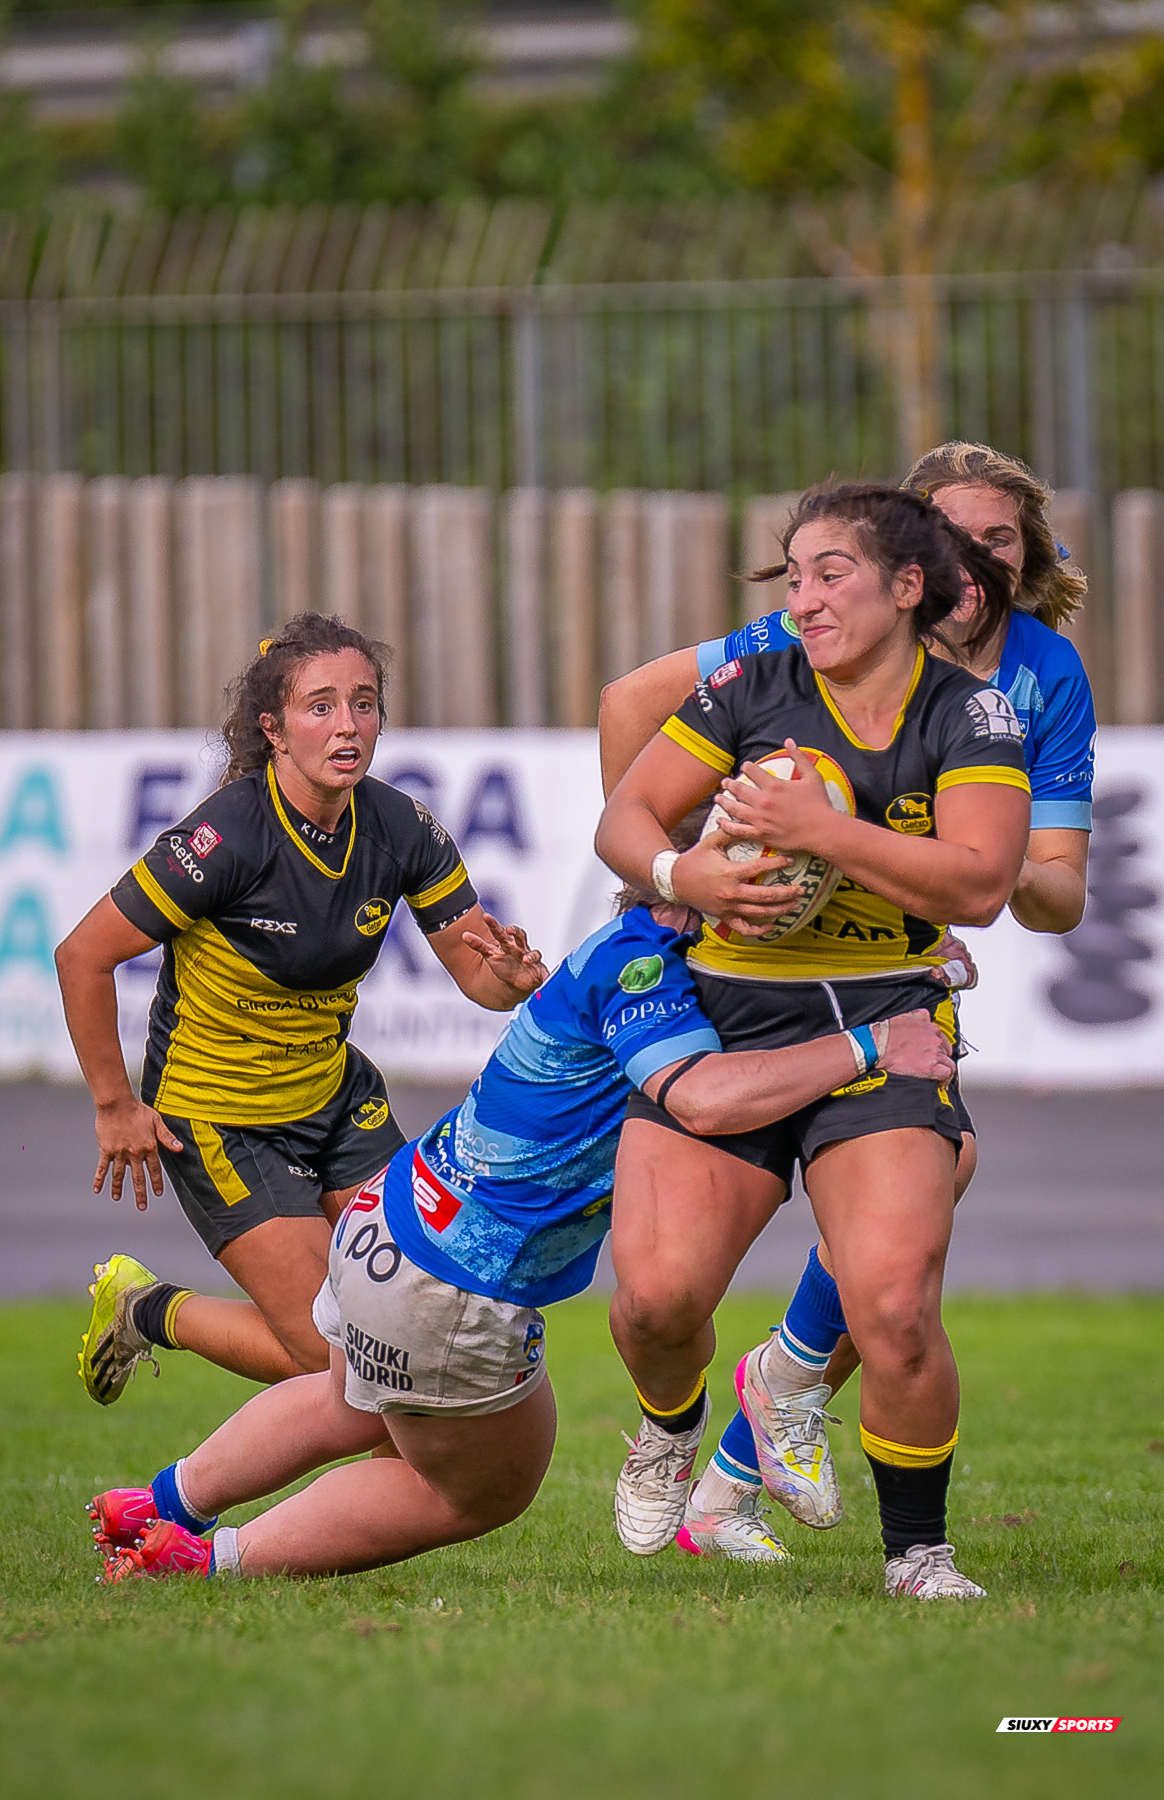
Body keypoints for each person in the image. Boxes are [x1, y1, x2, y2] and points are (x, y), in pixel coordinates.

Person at [86, 859, 956, 1584]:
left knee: (350, 1400)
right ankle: (204, 1563)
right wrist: (874, 1044)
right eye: (772, 879)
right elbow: (707, 1097)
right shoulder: (652, 969)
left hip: (390, 1221)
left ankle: (158, 1506)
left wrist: (901, 957)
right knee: (471, 1493)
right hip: (453, 1281)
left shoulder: (631, 948)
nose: (787, 897)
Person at [597, 443, 1096, 1560]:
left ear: (912, 580)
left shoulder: (1011, 696)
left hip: (889, 1000)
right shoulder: (766, 666)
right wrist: (680, 879)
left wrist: (872, 841)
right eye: (795, 574)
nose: (804, 595)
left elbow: (1009, 890)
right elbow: (629, 775)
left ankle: (912, 1552)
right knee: (652, 1300)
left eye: (996, 539)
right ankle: (691, 1430)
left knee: (899, 1296)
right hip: (730, 1005)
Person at [57, 613, 546, 1407]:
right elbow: (82, 955)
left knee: (416, 1321)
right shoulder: (227, 836)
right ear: (274, 730)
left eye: (364, 702)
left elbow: (477, 975)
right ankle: (147, 1309)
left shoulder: (401, 827)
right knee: (340, 1360)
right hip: (223, 1120)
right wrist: (116, 1105)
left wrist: (513, 980)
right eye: (320, 706)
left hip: (336, 1099)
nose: (348, 725)